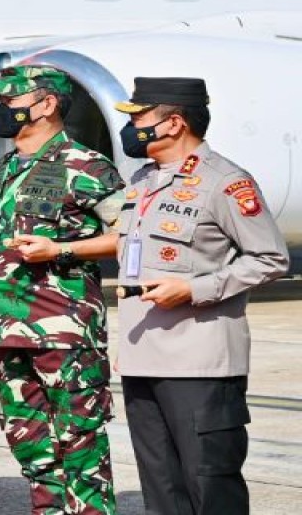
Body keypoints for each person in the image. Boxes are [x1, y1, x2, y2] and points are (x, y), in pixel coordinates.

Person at [112, 77, 288, 515]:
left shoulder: (225, 182)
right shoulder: (143, 180)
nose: (131, 128)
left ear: (173, 123)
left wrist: (195, 288)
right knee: (161, 489)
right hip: (142, 357)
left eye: (139, 118)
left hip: (199, 363)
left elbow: (269, 258)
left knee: (209, 485)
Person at [0, 66, 125, 515]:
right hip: (11, 328)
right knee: (30, 443)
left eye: (11, 101)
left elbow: (129, 237)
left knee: (79, 442)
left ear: (45, 105)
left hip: (65, 331)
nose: (3, 110)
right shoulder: (6, 166)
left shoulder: (86, 166)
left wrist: (61, 249)